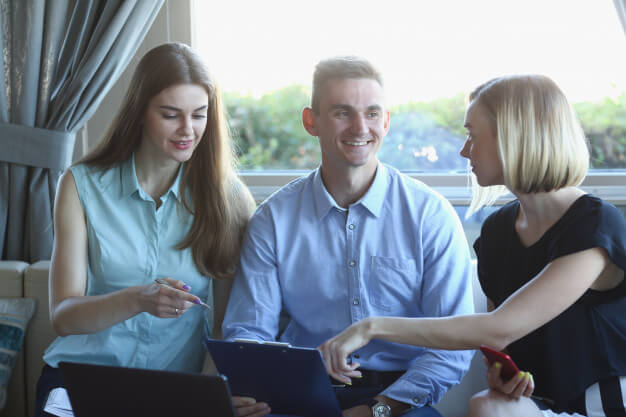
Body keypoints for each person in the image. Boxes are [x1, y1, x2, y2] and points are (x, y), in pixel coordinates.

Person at [319, 74, 626, 417]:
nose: (464, 150)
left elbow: (500, 327)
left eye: (472, 135)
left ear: (514, 137)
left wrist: (370, 326)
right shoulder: (497, 232)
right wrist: (504, 377)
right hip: (545, 404)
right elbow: (502, 346)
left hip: (604, 401)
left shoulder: (595, 224)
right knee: (486, 404)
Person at [222, 56, 475, 417]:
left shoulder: (430, 216)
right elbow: (248, 332)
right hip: (299, 392)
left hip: (400, 400)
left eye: (372, 113)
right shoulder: (273, 221)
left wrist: (379, 409)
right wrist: (258, 387)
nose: (360, 127)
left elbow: (455, 342)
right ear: (312, 121)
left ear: (386, 121)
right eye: (343, 112)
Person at [34, 43, 269, 417]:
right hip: (81, 380)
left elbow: (226, 325)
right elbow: (64, 317)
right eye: (170, 114)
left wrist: (214, 397)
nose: (187, 130)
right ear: (140, 112)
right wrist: (136, 299)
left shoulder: (231, 199)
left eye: (199, 115)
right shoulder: (80, 185)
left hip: (176, 391)